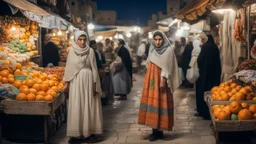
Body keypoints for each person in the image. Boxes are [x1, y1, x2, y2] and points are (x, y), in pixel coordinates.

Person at [138, 31, 182, 141]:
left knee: (160, 103)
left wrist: (162, 80)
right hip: (152, 79)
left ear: (163, 39)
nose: (157, 42)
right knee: (152, 103)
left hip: (161, 80)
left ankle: (158, 131)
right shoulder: (152, 49)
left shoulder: (168, 50)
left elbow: (166, 67)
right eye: (155, 39)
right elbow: (149, 63)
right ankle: (154, 130)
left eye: (160, 39)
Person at [62, 30, 103, 143]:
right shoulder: (71, 52)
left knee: (88, 105)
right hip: (76, 82)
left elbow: (94, 68)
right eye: (80, 39)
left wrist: (96, 84)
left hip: (88, 81)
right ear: (76, 40)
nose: (82, 42)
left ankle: (89, 133)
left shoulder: (90, 51)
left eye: (84, 39)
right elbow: (69, 69)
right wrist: (67, 84)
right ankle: (76, 135)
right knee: (77, 105)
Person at [195, 34, 221, 120]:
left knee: (203, 92)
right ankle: (213, 111)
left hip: (205, 75)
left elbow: (200, 60)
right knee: (213, 93)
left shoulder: (205, 47)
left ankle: (204, 112)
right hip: (214, 75)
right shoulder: (214, 47)